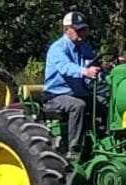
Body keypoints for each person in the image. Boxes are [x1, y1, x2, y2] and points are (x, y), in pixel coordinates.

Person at [42, 11, 105, 158]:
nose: (81, 33)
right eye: (78, 30)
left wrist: (101, 69)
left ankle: (104, 141)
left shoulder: (84, 46)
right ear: (66, 29)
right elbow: (66, 67)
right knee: (78, 106)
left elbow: (92, 63)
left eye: (83, 29)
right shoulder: (57, 48)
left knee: (104, 103)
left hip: (79, 92)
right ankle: (74, 150)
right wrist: (85, 71)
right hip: (56, 96)